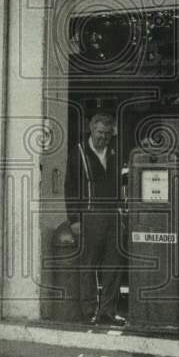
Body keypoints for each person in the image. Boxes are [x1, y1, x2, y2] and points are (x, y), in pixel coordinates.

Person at [65, 113, 125, 326]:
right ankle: (88, 312)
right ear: (91, 130)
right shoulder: (78, 152)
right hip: (89, 216)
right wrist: (74, 219)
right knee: (88, 266)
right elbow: (70, 188)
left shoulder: (115, 152)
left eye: (108, 134)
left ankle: (108, 313)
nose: (104, 138)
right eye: (100, 133)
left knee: (114, 266)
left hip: (114, 216)